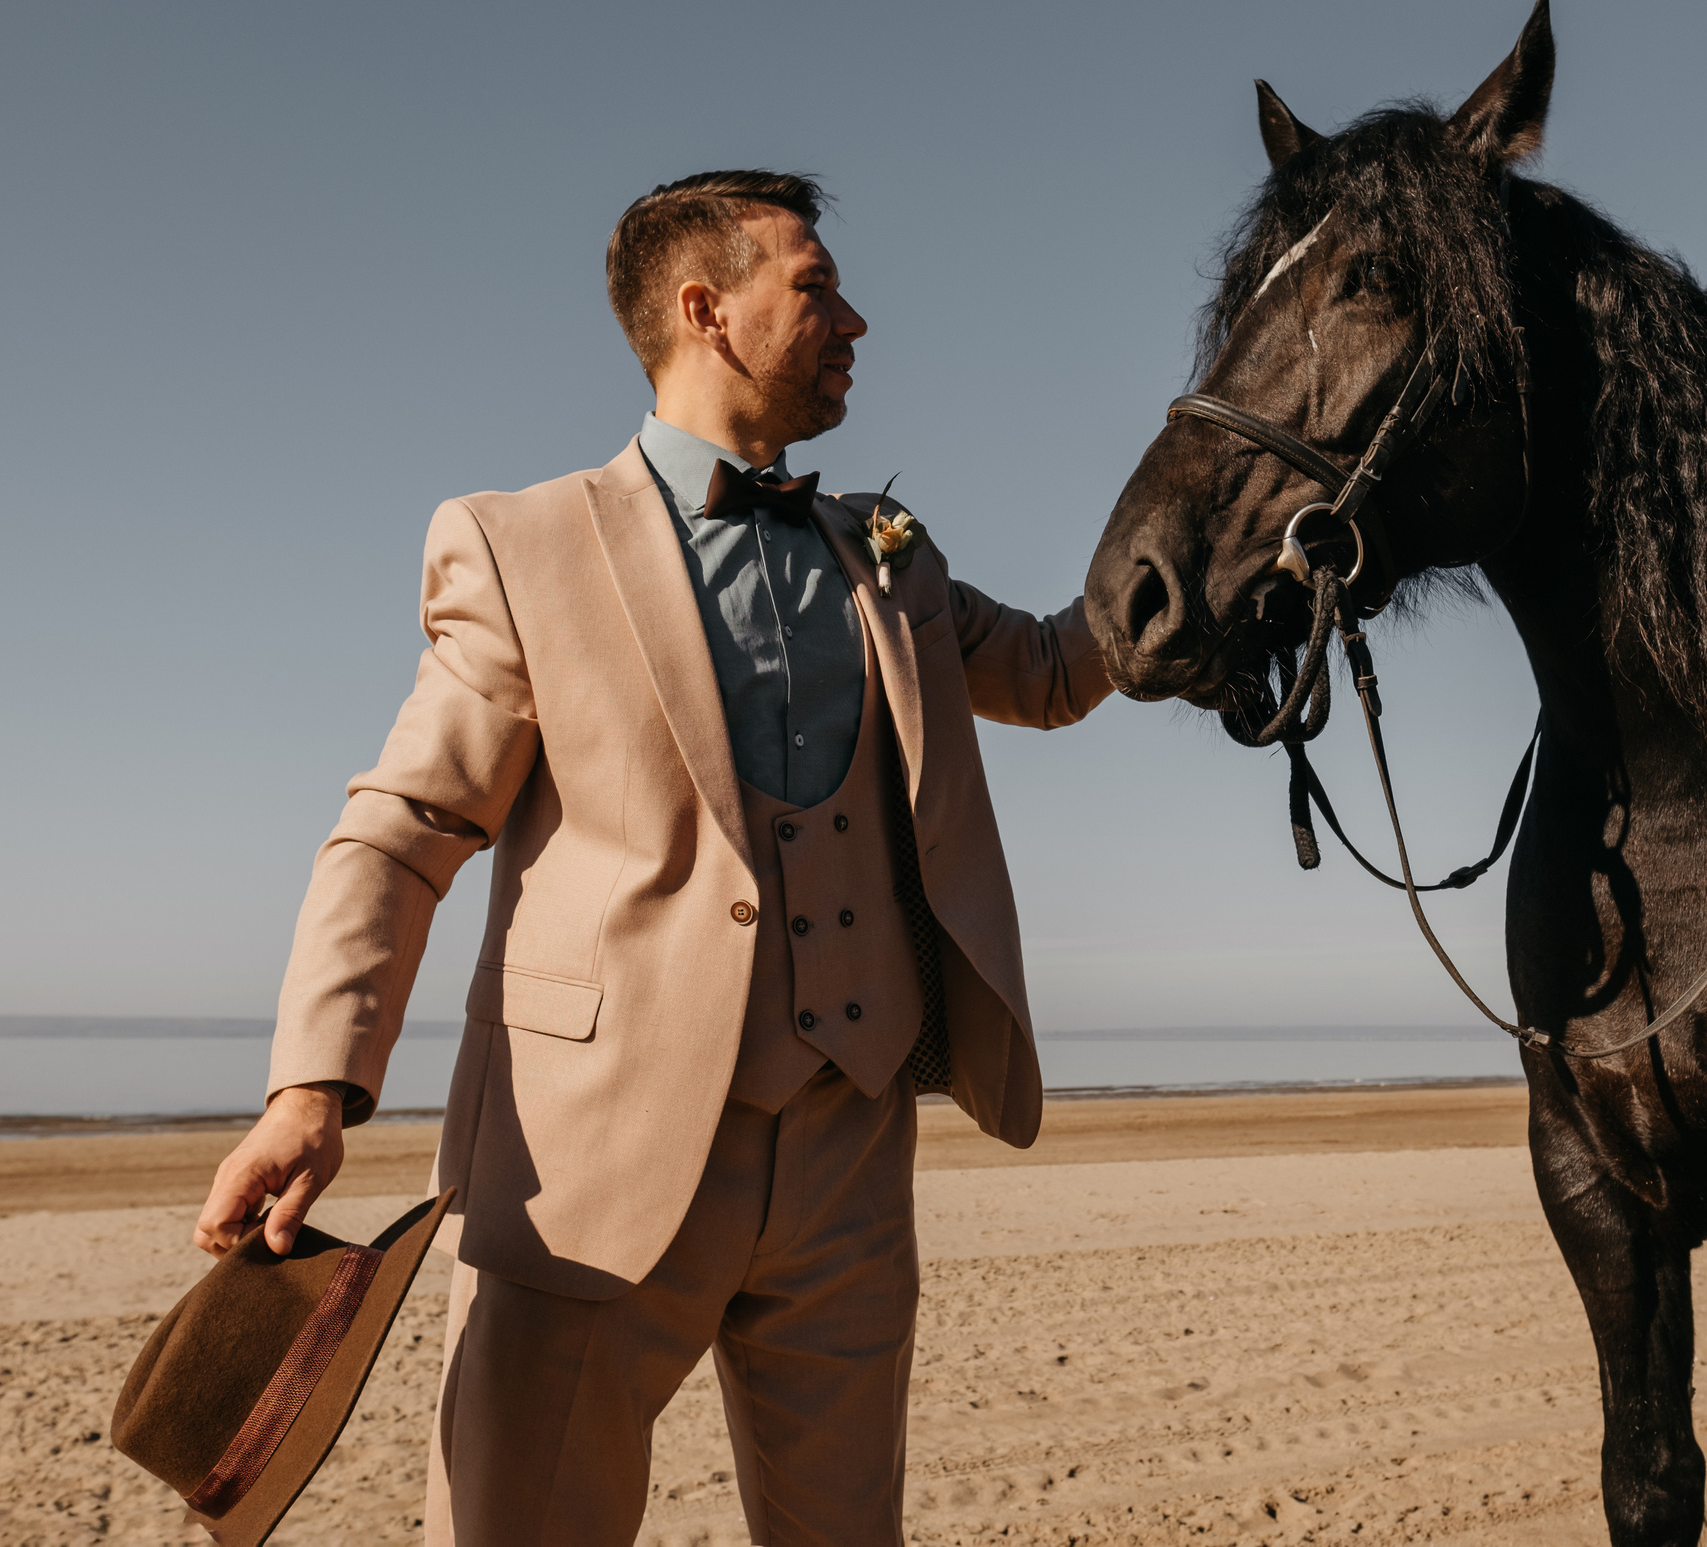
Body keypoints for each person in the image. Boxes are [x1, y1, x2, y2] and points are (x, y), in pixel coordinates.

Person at [193, 169, 1110, 1544]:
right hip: (588, 1172)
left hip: (851, 1157)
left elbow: (1048, 668)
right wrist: (312, 1086)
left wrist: (1226, 558)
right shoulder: (522, 548)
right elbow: (406, 826)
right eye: (816, 288)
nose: (855, 320)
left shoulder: (888, 557)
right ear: (706, 310)